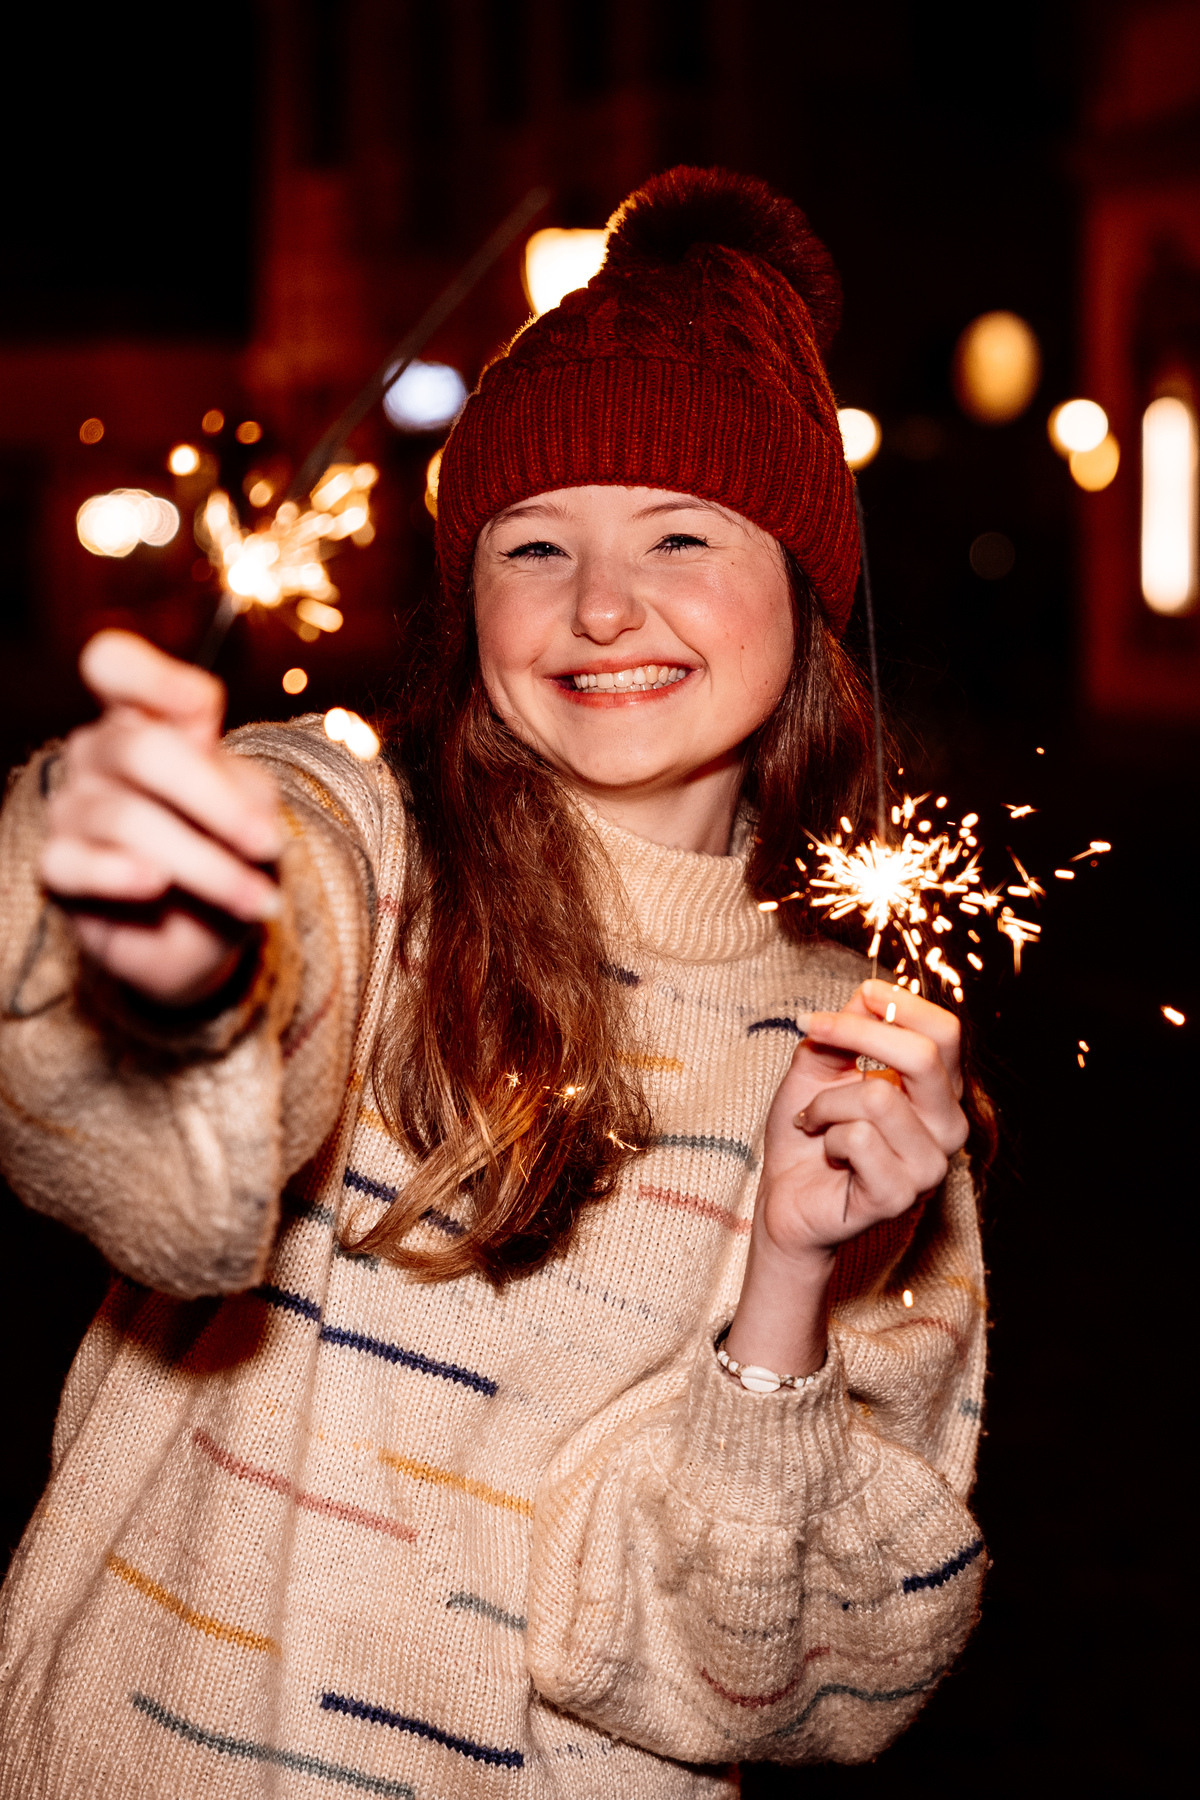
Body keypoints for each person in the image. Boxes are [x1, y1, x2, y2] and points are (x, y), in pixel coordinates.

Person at [0, 167, 988, 1799]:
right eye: (535, 544)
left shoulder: (865, 1070)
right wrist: (176, 977)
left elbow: (782, 1692)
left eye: (679, 531)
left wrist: (788, 1303)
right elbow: (170, 1185)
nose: (602, 607)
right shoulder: (360, 849)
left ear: (804, 587)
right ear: (466, 590)